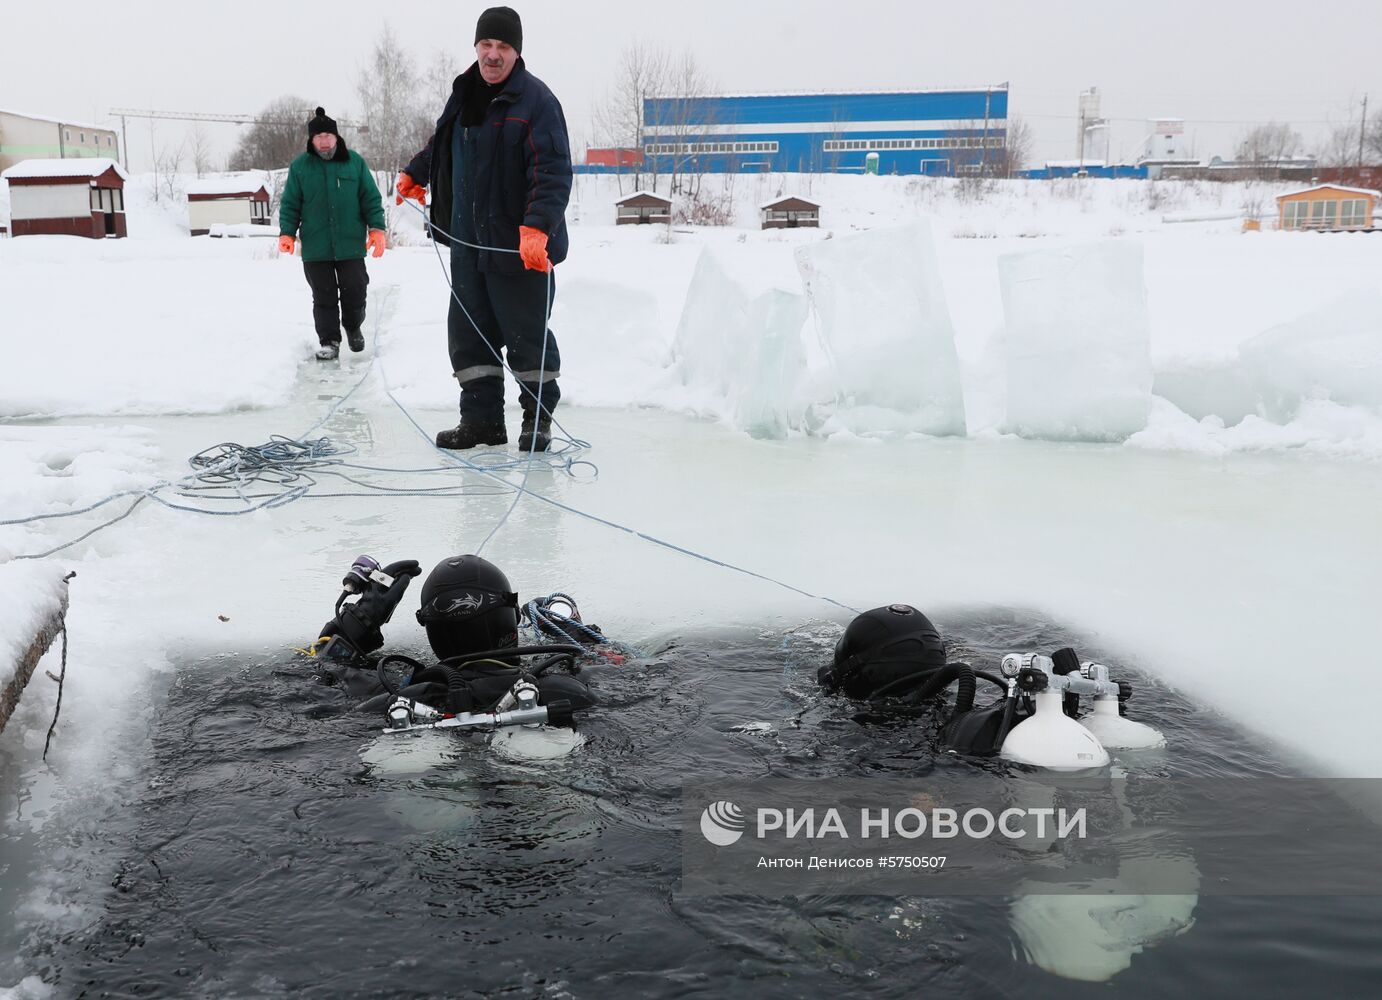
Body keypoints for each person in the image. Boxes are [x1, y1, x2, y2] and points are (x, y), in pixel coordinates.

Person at [396, 6, 573, 452]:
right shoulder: (464, 94)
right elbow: (444, 141)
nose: (493, 55)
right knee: (470, 337)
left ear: (517, 52)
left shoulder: (537, 102)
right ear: (476, 47)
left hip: (518, 249)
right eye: (486, 45)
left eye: (503, 47)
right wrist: (418, 171)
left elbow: (551, 172)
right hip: (467, 245)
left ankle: (538, 421)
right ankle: (482, 422)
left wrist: (536, 229)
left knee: (526, 336)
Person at [279, 107, 388, 362]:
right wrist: (287, 233)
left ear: (337, 137)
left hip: (350, 244)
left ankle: (352, 326)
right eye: (319, 136)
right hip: (316, 247)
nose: (324, 140)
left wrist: (377, 229)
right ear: (311, 140)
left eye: (328, 135)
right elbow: (290, 204)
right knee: (324, 296)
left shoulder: (354, 162)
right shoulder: (300, 167)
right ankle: (329, 341)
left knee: (355, 289)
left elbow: (370, 198)